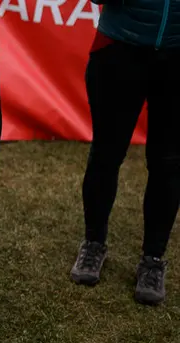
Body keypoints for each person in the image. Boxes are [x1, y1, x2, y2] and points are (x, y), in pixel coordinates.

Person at [70, 0, 180, 306]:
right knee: (106, 153)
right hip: (119, 48)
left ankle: (153, 259)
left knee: (169, 162)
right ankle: (93, 243)